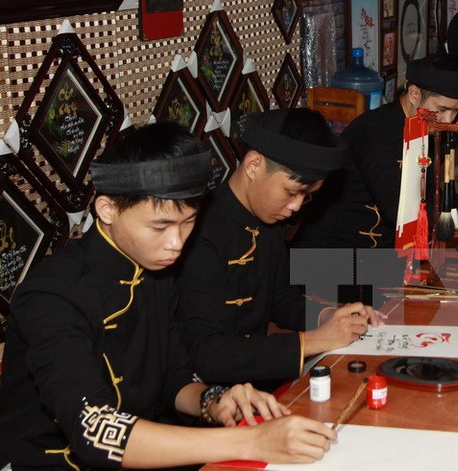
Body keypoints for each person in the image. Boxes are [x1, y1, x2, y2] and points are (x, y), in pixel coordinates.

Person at [0, 122, 335, 469]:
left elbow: (175, 377)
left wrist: (214, 399)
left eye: (188, 222)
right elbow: (95, 429)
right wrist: (250, 440)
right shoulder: (53, 295)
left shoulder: (155, 271)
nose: (176, 244)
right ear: (107, 209)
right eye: (160, 226)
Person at [176, 108, 383, 390]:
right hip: (207, 398)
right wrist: (317, 339)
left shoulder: (269, 220)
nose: (297, 206)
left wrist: (330, 316)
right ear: (253, 165)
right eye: (291, 192)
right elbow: (206, 353)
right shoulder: (198, 232)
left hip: (256, 381)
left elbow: (281, 299)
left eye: (307, 196)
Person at [294, 54, 458, 249]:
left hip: (379, 256)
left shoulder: (426, 128)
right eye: (442, 109)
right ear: (414, 94)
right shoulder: (373, 131)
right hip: (329, 257)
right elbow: (397, 208)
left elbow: (429, 196)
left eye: (456, 111)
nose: (448, 120)